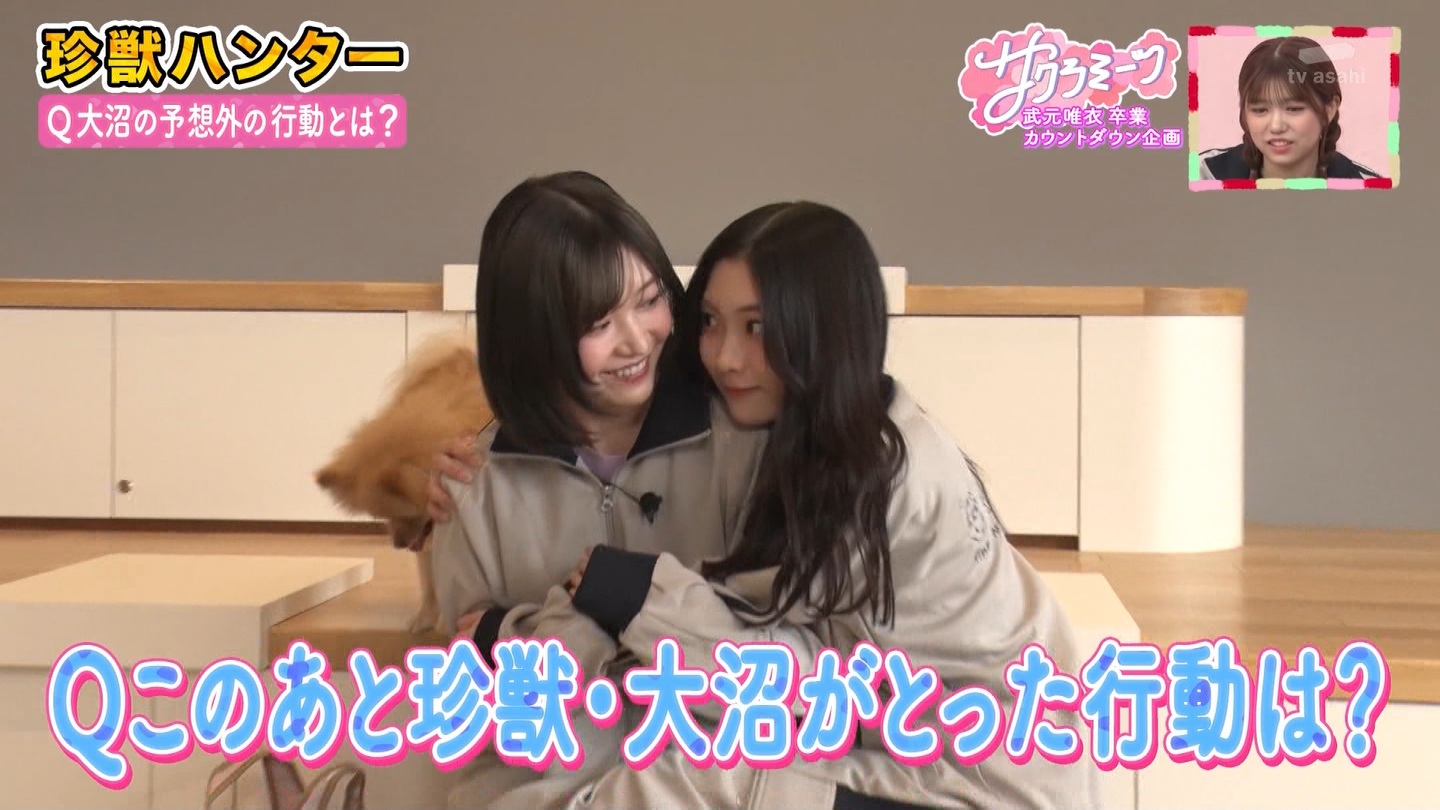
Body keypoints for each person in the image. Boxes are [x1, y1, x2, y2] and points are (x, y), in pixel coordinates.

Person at [431, 201, 1104, 809]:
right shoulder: (478, 483)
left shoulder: (843, 468)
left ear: (824, 329)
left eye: (650, 301)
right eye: (711, 323)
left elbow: (792, 676)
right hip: (888, 752)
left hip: (961, 772)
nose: (725, 357)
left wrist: (621, 604)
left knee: (700, 780)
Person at [426, 169, 768, 809]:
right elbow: (475, 705)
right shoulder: (473, 485)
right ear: (534, 335)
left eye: (649, 299)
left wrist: (527, 633)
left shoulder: (741, 443)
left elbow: (770, 657)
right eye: (599, 322)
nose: (638, 340)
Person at [1199, 36, 1382, 181]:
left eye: (1293, 109)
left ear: (1329, 109)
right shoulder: (1203, 175)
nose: (1276, 126)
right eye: (1260, 110)